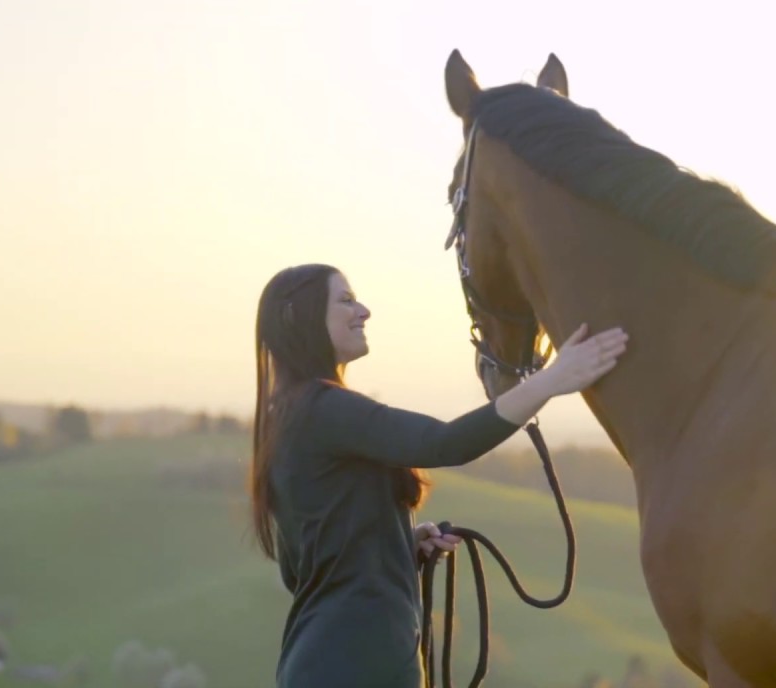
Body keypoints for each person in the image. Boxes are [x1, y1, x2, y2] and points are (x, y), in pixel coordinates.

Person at [248, 263, 628, 688]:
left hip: (322, 659)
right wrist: (551, 380)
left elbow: (303, 566)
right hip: (361, 661)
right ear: (300, 316)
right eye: (346, 299)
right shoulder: (326, 410)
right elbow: (446, 443)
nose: (364, 311)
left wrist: (400, 547)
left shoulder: (286, 416)